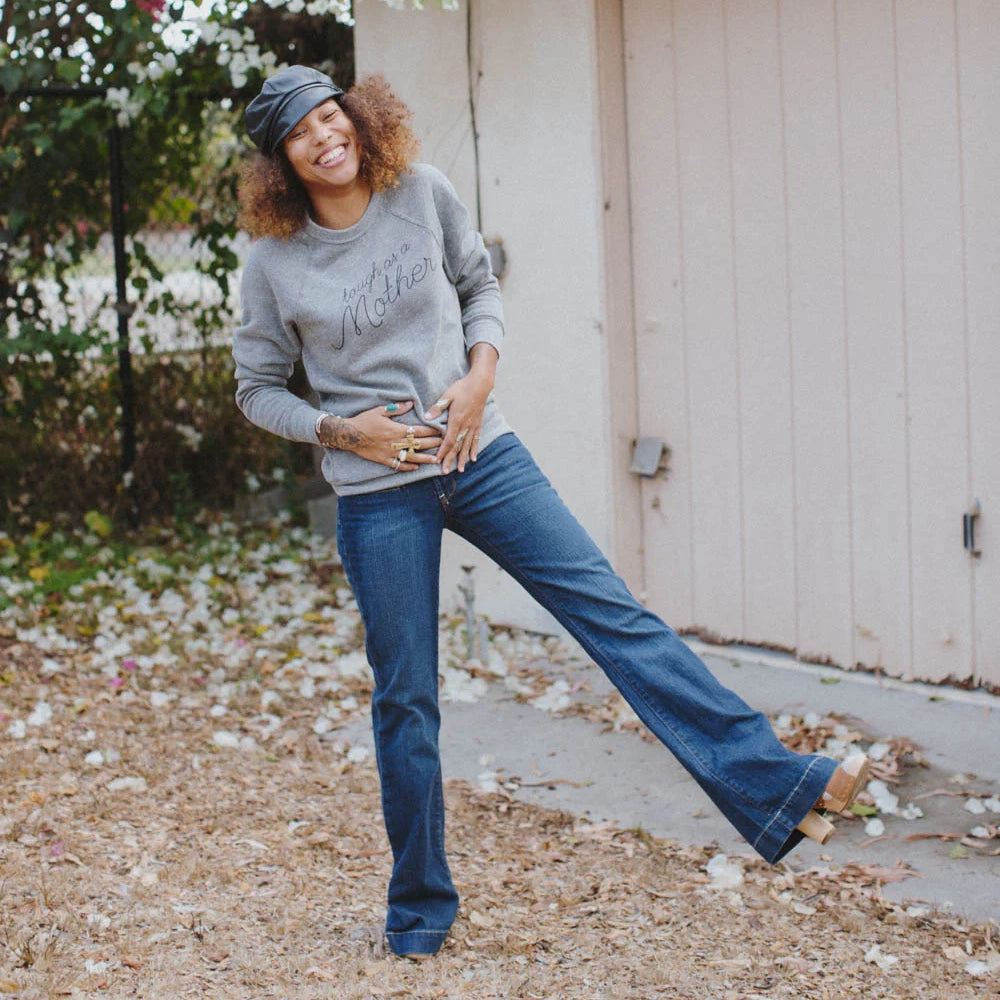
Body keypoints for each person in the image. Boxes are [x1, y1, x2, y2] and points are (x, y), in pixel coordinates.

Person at [232, 66, 870, 959]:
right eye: (301, 133)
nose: (323, 136)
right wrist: (344, 430)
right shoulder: (274, 263)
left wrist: (480, 373)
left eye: (330, 116)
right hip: (379, 491)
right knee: (405, 700)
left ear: (356, 118)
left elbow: (477, 288)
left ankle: (778, 786)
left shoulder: (419, 191)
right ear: (281, 162)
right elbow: (257, 390)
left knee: (613, 615)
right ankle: (419, 910)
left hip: (481, 453)